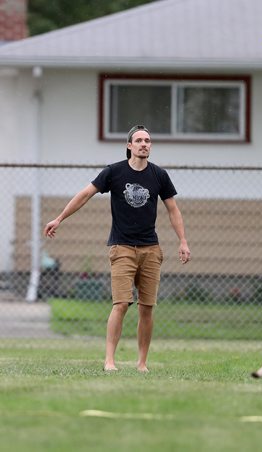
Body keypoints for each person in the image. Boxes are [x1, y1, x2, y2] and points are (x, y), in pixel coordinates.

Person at [44, 125, 191, 372]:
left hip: (151, 249)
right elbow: (85, 194)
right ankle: (109, 361)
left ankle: (142, 363)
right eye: (139, 140)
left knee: (147, 308)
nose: (145, 144)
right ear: (129, 146)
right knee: (121, 304)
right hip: (121, 247)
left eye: (148, 140)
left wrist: (183, 241)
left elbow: (173, 209)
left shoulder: (159, 175)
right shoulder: (114, 172)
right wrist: (59, 218)